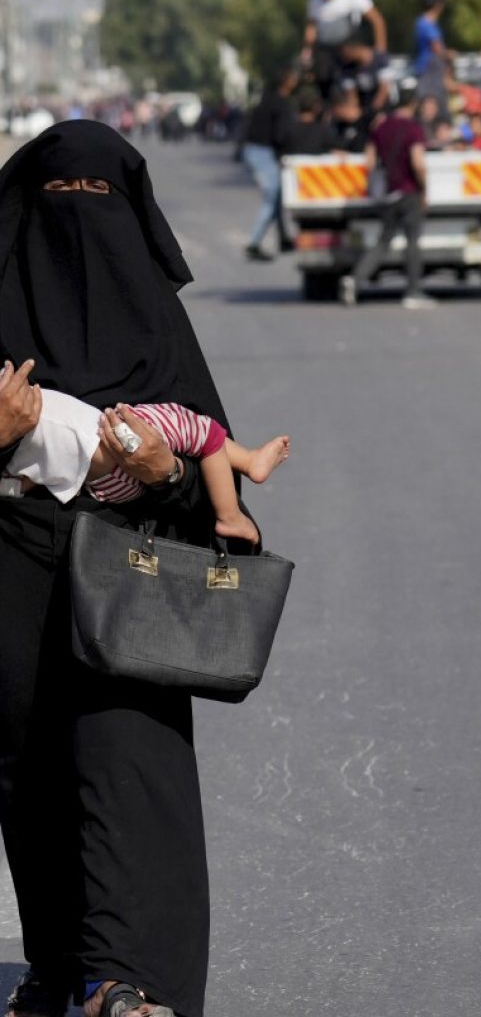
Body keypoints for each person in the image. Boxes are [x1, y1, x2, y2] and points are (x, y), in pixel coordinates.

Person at [0, 120, 256, 1017]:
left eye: (97, 201)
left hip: (130, 577)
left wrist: (168, 474)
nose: (80, 224)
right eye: (58, 201)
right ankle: (62, 963)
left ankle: (127, 979)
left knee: (127, 767)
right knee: (30, 781)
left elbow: (222, 489)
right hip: (12, 572)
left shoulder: (159, 327)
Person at [1, 387, 290, 543]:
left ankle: (249, 467)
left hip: (102, 486)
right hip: (118, 442)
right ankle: (232, 511)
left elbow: (26, 480)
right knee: (206, 435)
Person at [341, 87, 435, 309]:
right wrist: (424, 189)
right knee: (412, 242)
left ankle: (355, 279)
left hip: (387, 192)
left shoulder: (381, 127)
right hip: (409, 191)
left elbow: (370, 161)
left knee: (384, 241)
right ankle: (413, 291)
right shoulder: (413, 129)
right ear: (413, 104)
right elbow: (418, 163)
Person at [241, 67, 298, 262]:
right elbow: (281, 134)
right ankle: (254, 243)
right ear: (286, 81)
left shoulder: (267, 98)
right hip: (261, 152)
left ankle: (283, 237)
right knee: (272, 197)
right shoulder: (280, 104)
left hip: (255, 150)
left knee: (277, 195)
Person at [301, 0, 388, 101]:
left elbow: (377, 21)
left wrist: (380, 50)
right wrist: (307, 51)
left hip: (351, 48)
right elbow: (311, 27)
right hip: (327, 52)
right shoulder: (314, 0)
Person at [414, 0, 452, 111]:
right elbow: (437, 47)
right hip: (430, 67)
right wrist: (449, 54)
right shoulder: (427, 24)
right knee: (432, 101)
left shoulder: (421, 22)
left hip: (426, 66)